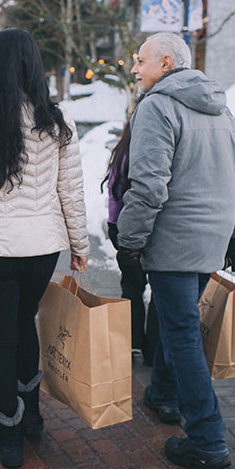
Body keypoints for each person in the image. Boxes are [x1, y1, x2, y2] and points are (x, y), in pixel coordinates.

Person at [0, 28, 90, 469]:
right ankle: (32, 417)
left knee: (0, 338)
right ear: (34, 65)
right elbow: (71, 191)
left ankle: (6, 433)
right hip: (42, 247)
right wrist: (80, 246)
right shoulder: (58, 119)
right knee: (24, 323)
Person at [116, 32, 235, 469]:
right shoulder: (222, 109)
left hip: (174, 242)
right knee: (176, 321)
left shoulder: (156, 107)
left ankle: (208, 439)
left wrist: (130, 240)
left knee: (182, 335)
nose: (135, 68)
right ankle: (163, 394)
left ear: (168, 63)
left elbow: (149, 185)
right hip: (210, 240)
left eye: (142, 61)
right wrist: (233, 233)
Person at [103, 95, 159, 366]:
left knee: (132, 287)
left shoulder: (124, 148)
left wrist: (115, 227)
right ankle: (152, 348)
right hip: (157, 230)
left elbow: (115, 193)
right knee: (158, 290)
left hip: (127, 231)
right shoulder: (158, 145)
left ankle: (134, 341)